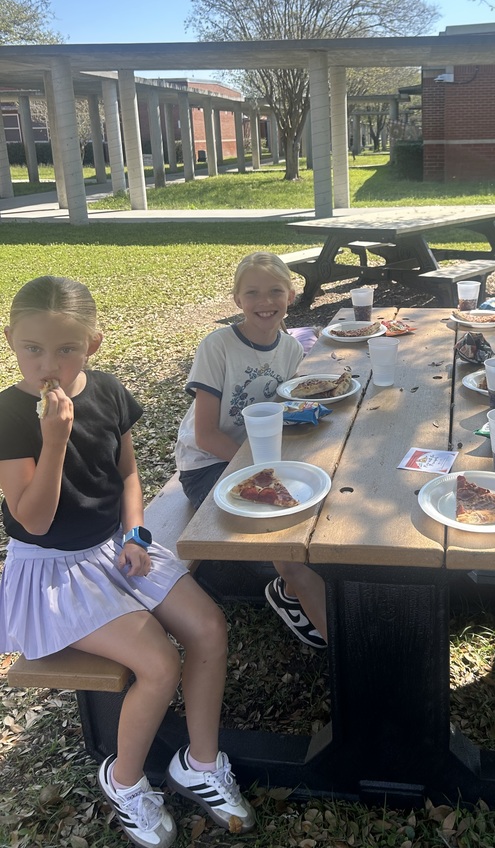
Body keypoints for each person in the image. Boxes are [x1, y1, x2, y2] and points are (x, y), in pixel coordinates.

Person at [0, 276, 255, 848]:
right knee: (159, 664)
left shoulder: (109, 390)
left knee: (210, 628)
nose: (48, 365)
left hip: (116, 546)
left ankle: (201, 763)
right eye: (33, 348)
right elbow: (33, 519)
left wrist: (137, 534)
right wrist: (54, 439)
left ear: (92, 344)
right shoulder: (10, 414)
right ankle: (124, 780)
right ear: (11, 339)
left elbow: (127, 474)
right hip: (54, 569)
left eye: (67, 349)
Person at [174, 251, 328, 649]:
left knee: (322, 493)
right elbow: (206, 435)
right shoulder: (218, 346)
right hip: (208, 464)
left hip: (260, 458)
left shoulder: (291, 350)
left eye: (275, 291)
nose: (265, 301)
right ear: (237, 300)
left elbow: (287, 411)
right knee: (280, 526)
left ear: (290, 296)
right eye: (253, 292)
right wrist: (266, 471)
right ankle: (295, 591)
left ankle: (302, 584)